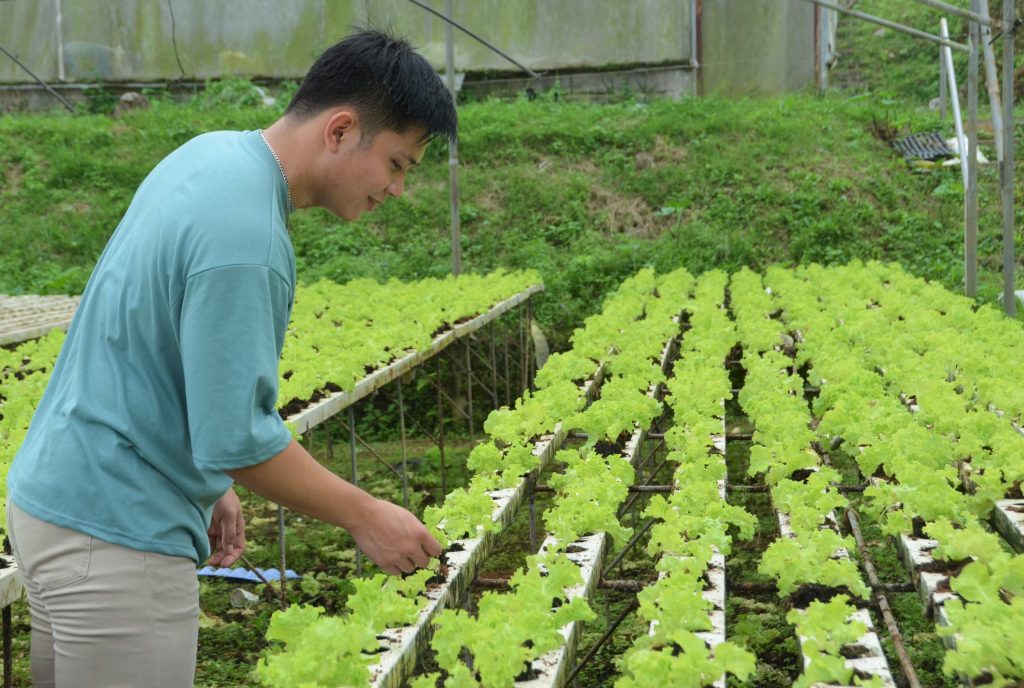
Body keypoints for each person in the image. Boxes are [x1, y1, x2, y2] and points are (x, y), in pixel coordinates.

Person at [5, 28, 457, 688]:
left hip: (57, 504)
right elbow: (239, 440)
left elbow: (153, 340)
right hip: (117, 537)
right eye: (396, 164)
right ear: (339, 130)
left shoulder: (214, 157)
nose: (396, 189)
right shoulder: (247, 239)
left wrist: (211, 482)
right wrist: (368, 516)